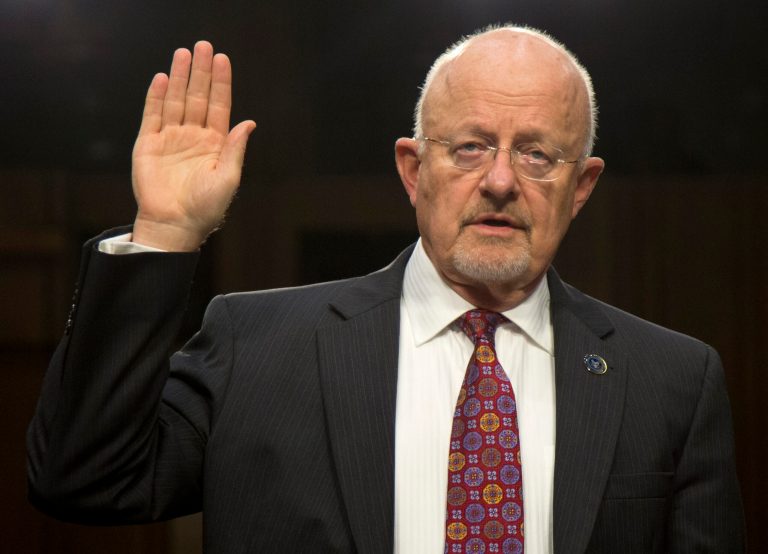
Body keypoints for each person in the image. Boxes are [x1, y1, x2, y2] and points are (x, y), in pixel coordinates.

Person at [27, 25, 745, 553]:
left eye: (536, 154)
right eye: (469, 146)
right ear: (412, 169)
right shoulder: (259, 348)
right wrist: (164, 230)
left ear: (581, 186)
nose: (500, 180)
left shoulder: (673, 382)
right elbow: (84, 479)